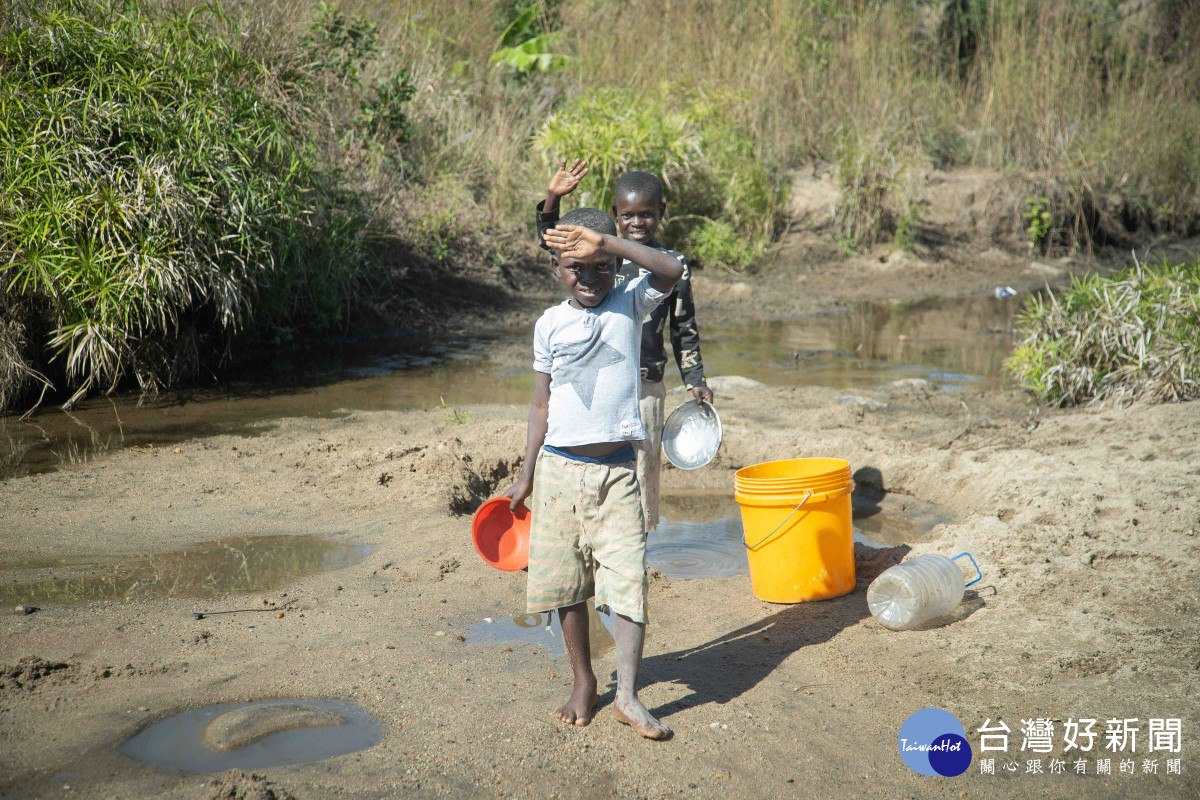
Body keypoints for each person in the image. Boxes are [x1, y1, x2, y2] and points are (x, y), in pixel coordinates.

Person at [503, 207, 684, 739]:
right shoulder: (549, 324)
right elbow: (541, 405)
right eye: (576, 268)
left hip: (617, 474)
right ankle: (584, 679)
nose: (589, 279)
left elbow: (671, 269)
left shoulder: (630, 302)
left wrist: (606, 241)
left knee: (628, 582)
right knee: (567, 582)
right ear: (558, 268)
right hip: (559, 471)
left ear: (614, 265)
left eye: (600, 267)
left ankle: (627, 693)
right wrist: (526, 472)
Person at [536, 160, 712, 532]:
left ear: (661, 215)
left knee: (643, 469)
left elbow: (684, 325)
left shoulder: (669, 265)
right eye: (628, 216)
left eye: (646, 215)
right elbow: (557, 246)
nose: (637, 223)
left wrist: (694, 377)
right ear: (615, 217)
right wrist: (552, 199)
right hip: (599, 383)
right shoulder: (602, 259)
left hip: (645, 384)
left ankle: (637, 545)